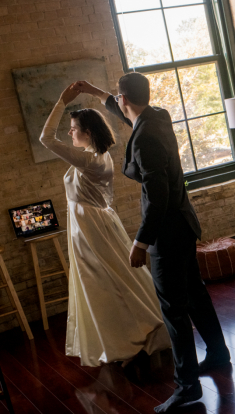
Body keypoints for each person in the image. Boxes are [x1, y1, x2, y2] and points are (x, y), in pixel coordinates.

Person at [74, 74, 230, 414]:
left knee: (174, 310)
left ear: (124, 98)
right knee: (196, 294)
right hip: (184, 224)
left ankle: (188, 388)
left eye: (118, 99)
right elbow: (124, 110)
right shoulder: (159, 115)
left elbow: (158, 198)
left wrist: (141, 243)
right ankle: (218, 353)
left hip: (167, 233)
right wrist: (95, 91)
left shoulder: (145, 139)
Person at [39, 84, 171, 368]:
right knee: (111, 282)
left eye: (74, 129)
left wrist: (62, 101)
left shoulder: (89, 159)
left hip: (91, 229)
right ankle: (132, 337)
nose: (70, 133)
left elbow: (45, 138)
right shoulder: (98, 155)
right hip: (91, 224)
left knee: (107, 283)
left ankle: (139, 337)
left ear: (88, 133)